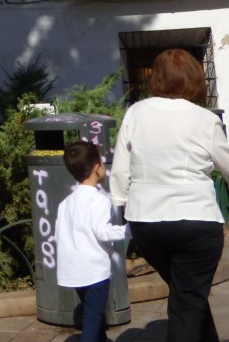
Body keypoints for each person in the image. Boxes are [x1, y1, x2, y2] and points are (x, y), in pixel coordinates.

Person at [111, 48, 229, 342]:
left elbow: (120, 170)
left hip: (147, 223)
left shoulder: (136, 113)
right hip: (196, 222)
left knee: (188, 295)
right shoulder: (204, 119)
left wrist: (119, 206)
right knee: (187, 302)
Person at [56, 140, 129, 342]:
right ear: (97, 168)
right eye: (103, 163)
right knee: (93, 317)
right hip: (94, 272)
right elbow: (103, 232)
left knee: (93, 314)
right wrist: (129, 230)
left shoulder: (66, 203)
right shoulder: (99, 200)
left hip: (72, 270)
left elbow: (59, 234)